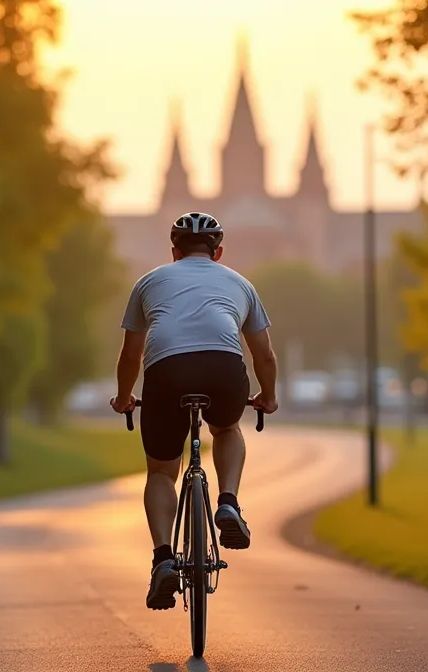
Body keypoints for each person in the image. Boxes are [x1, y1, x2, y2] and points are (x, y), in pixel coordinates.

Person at [109, 211, 279, 611]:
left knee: (162, 471)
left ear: (173, 252)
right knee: (226, 429)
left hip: (166, 371)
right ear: (217, 252)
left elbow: (130, 354)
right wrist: (267, 396)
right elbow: (264, 356)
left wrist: (123, 397)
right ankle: (228, 502)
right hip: (222, 367)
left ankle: (164, 559)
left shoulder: (149, 282)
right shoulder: (240, 282)